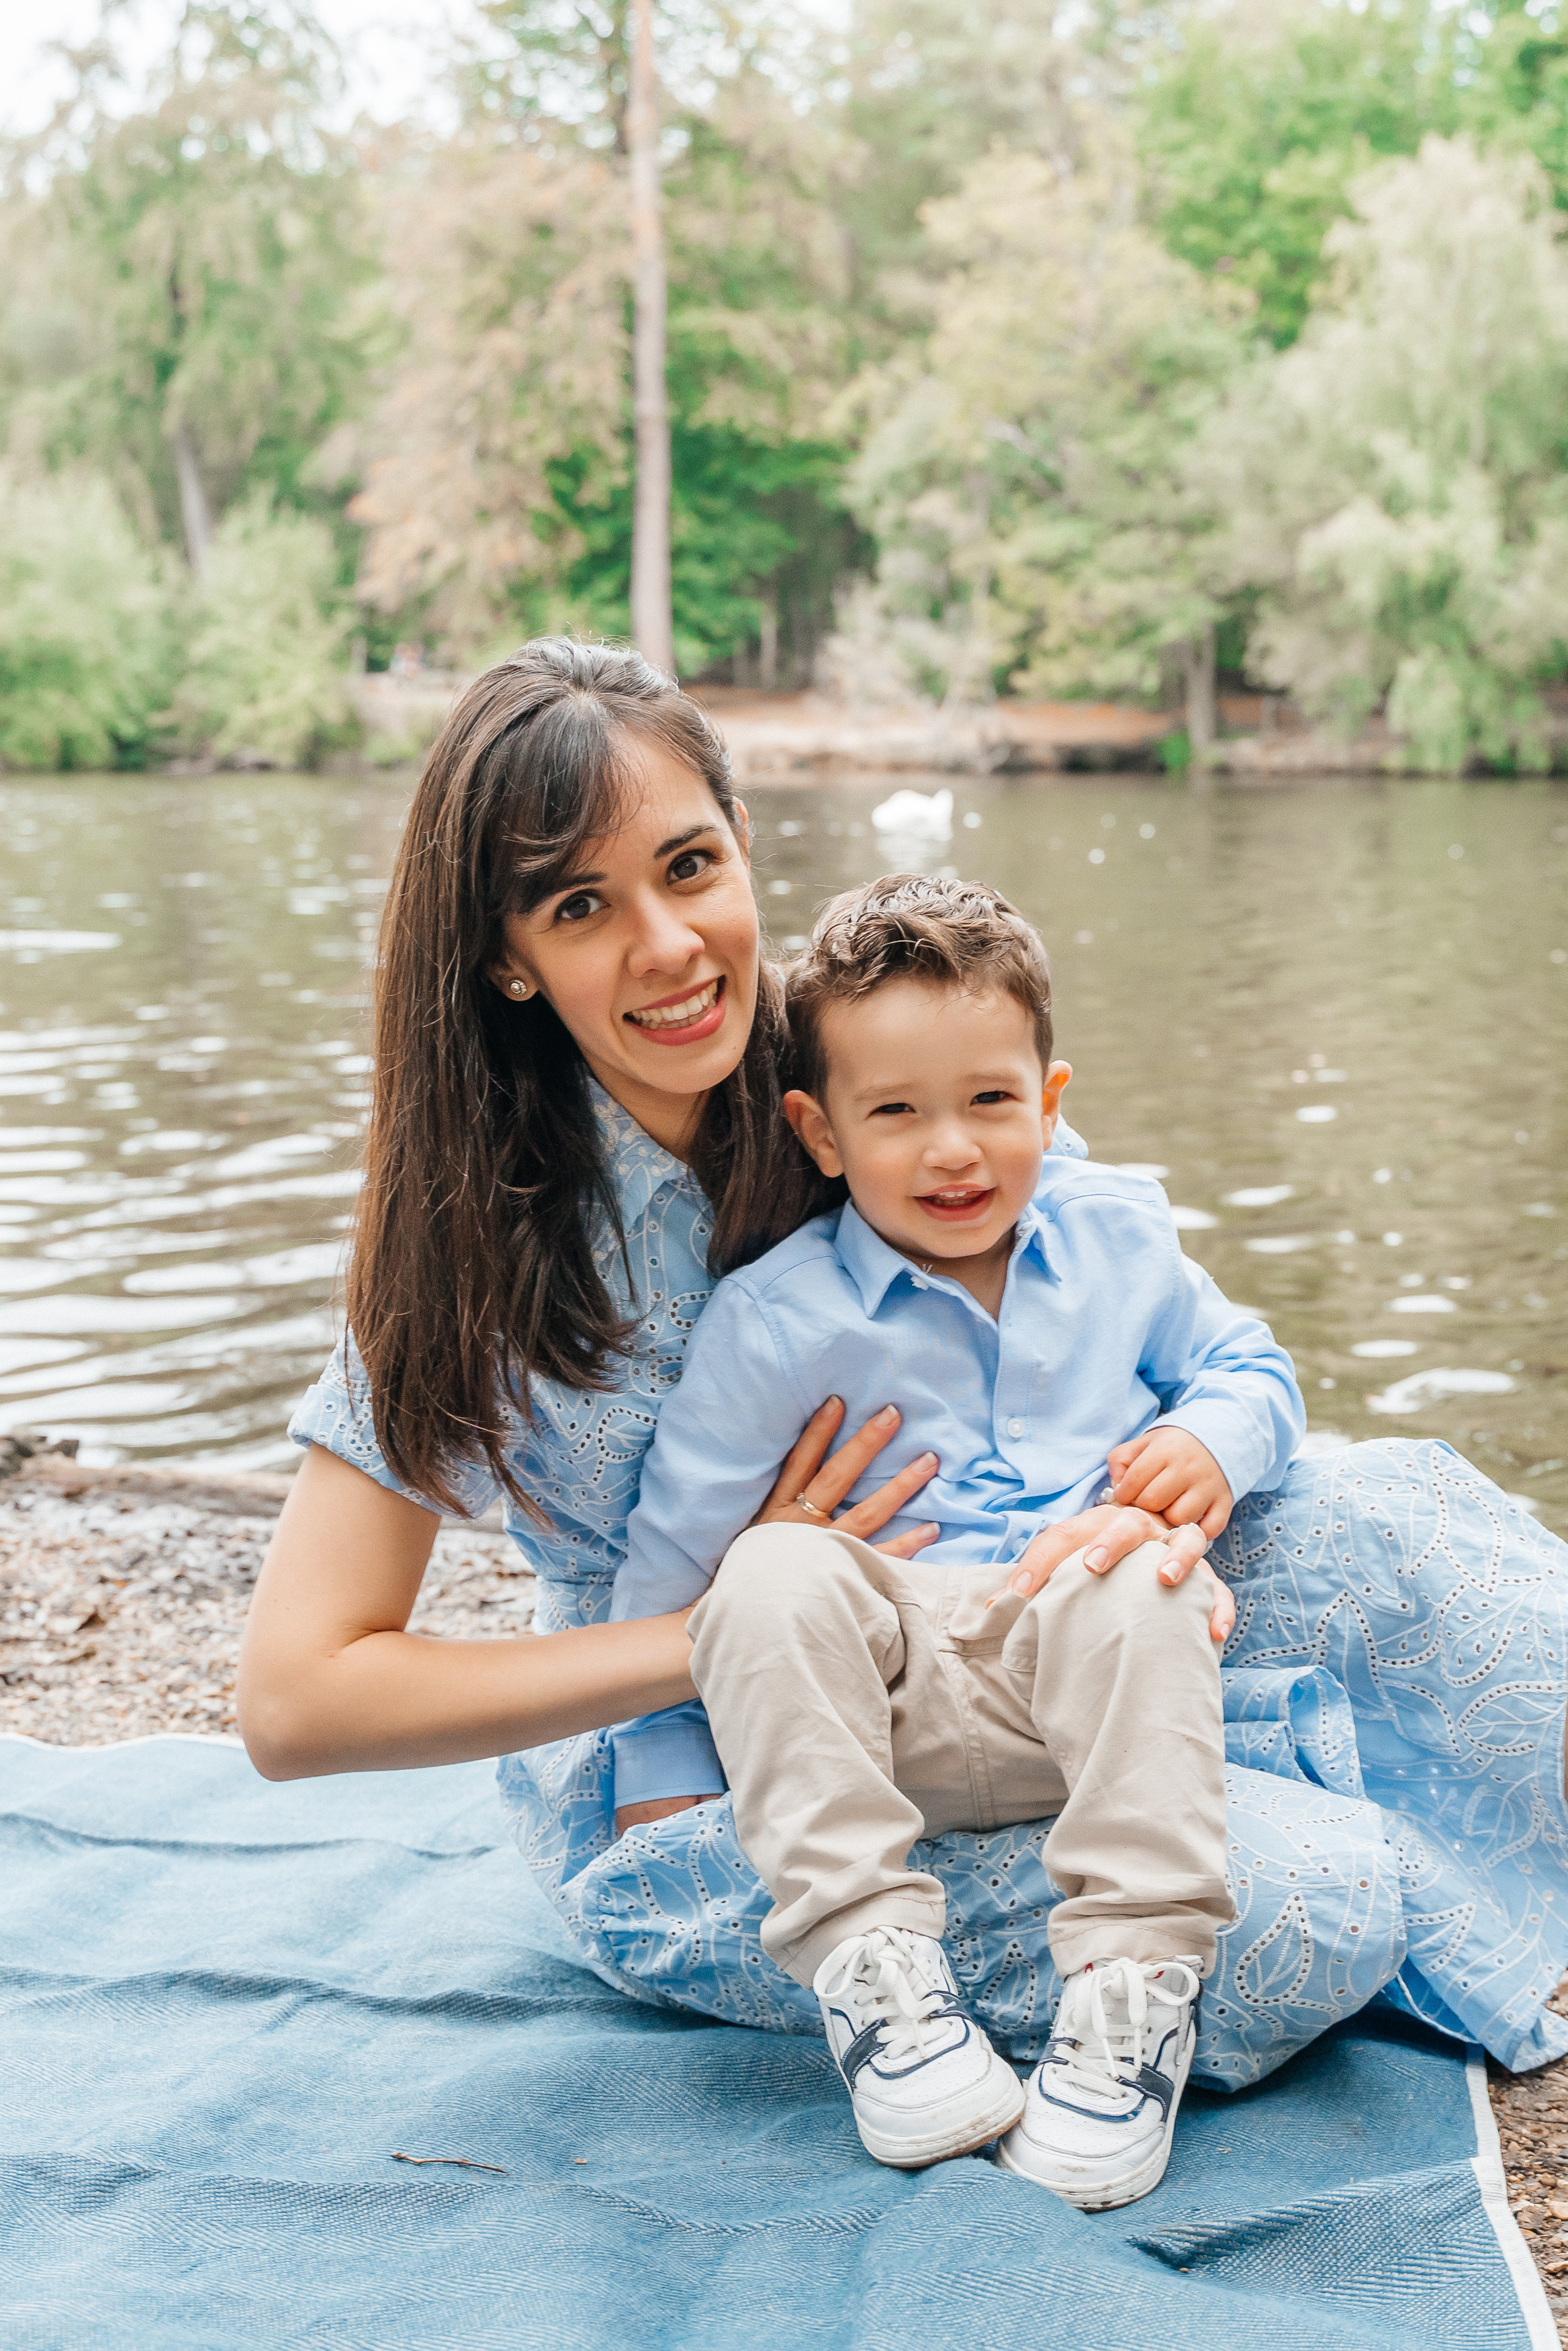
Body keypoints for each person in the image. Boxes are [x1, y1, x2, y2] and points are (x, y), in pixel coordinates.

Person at [238, 637, 1568, 2134]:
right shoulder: (470, 1247)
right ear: (506, 956)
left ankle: (1230, 1748)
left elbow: (1097, 1275)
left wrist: (1169, 1469)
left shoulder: (872, 1044)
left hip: (1037, 1593)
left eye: (689, 864)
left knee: (1408, 1529)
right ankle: (1174, 1846)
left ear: (744, 843)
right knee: (1309, 1908)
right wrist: (709, 1632)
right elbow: (296, 1700)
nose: (670, 945)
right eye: (579, 905)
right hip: (737, 1744)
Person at [607, 873, 1303, 2203]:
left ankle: (1128, 1995)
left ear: (1048, 1099)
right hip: (889, 1706)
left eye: (990, 1101)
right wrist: (657, 1772)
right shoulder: (774, 1318)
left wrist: (1214, 1440)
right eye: (896, 1114)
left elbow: (1251, 1366)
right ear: (820, 1132)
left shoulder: (1120, 1242)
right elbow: (674, 1567)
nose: (952, 1153)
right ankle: (885, 1994)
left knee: (1138, 1566)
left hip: (1084, 1683)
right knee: (766, 1568)